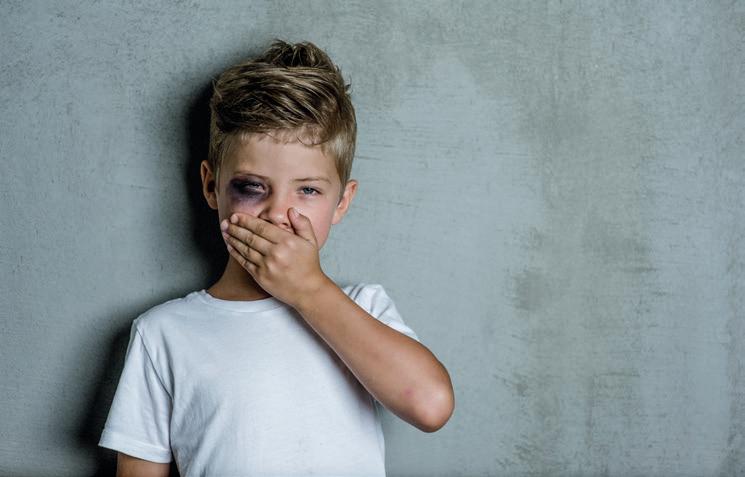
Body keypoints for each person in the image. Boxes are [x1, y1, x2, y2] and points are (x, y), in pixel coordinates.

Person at [98, 39, 454, 477]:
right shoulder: (163, 334)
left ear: (342, 202)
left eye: (308, 190)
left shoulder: (364, 308)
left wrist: (308, 289)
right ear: (211, 186)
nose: (277, 213)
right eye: (251, 187)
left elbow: (431, 406)